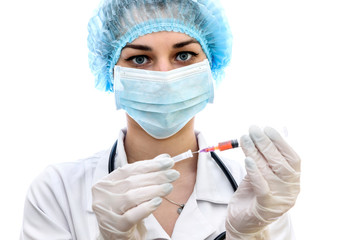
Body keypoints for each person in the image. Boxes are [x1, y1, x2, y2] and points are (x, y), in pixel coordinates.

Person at [20, 0, 301, 239]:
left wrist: (248, 236)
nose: (164, 75)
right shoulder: (58, 190)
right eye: (140, 59)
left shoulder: (260, 195)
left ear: (210, 66)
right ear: (111, 72)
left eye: (183, 55)